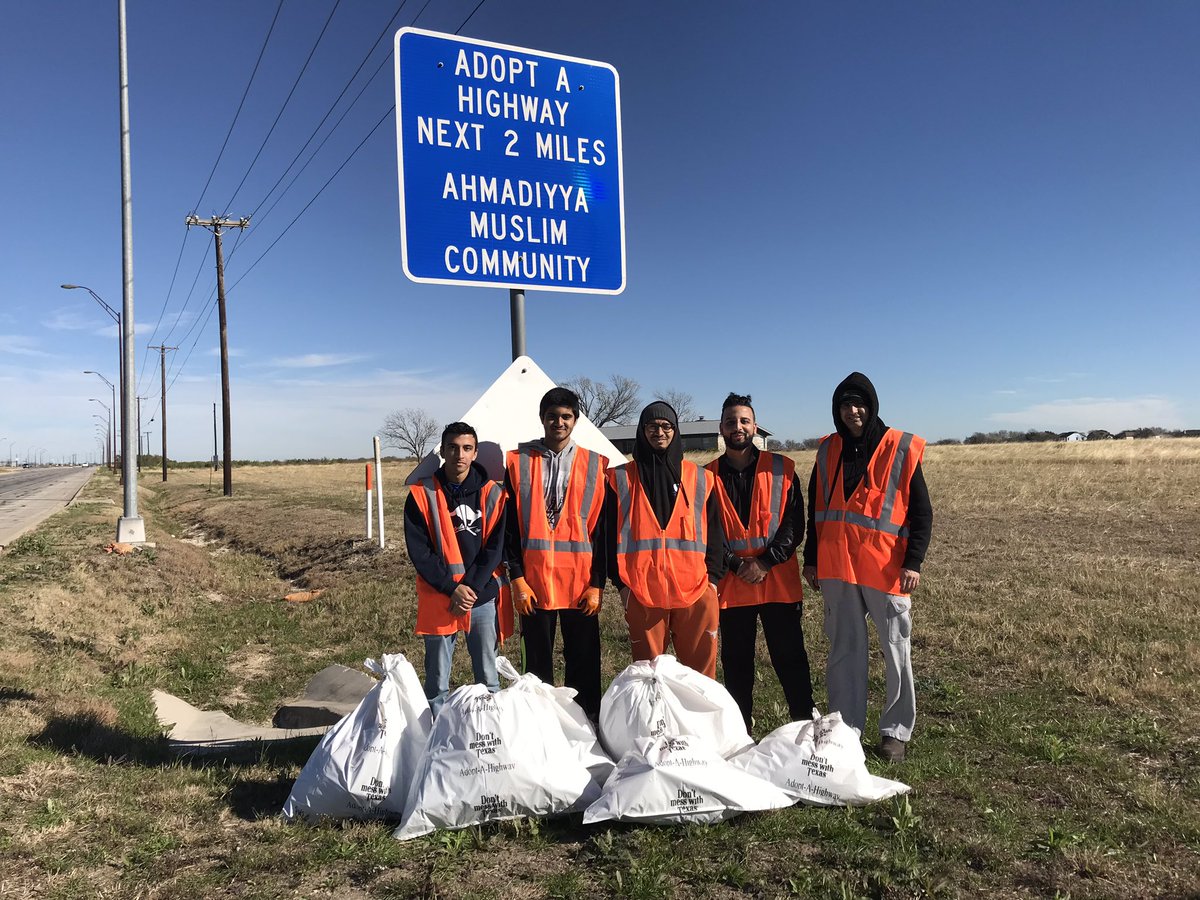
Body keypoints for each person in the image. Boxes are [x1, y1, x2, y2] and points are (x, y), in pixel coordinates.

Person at [803, 373, 933, 762]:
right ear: (836, 410)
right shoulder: (828, 450)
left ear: (871, 406)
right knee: (844, 649)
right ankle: (845, 729)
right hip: (837, 567)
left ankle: (895, 732)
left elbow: (922, 511)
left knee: (896, 651)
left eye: (858, 404)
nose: (852, 411)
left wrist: (914, 562)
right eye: (845, 405)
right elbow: (817, 509)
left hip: (887, 569)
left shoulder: (900, 447)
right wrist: (810, 559)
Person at [707, 393, 813, 730]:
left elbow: (795, 524)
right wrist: (738, 565)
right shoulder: (705, 477)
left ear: (754, 426)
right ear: (721, 428)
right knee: (737, 664)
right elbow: (706, 532)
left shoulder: (783, 469)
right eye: (730, 422)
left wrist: (765, 562)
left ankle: (804, 725)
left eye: (743, 421)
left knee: (791, 659)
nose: (737, 427)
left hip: (777, 582)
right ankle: (741, 732)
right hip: (732, 586)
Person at [504, 387, 607, 720]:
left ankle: (586, 725)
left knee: (585, 662)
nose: (559, 422)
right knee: (536, 666)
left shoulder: (596, 464)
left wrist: (597, 584)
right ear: (542, 419)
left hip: (580, 585)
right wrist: (517, 578)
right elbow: (510, 528)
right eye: (552, 416)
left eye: (566, 416)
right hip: (534, 584)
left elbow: (602, 532)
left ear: (576, 420)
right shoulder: (518, 462)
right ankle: (541, 727)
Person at [607, 400, 726, 678]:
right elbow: (607, 537)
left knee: (699, 677)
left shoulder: (701, 478)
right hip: (642, 593)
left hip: (696, 592)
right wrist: (622, 586)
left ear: (675, 431)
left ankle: (698, 723)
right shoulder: (620, 479)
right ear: (641, 430)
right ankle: (654, 724)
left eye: (666, 426)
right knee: (650, 678)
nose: (659, 432)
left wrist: (712, 582)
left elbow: (717, 535)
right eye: (652, 426)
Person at [403, 422, 506, 715]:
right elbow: (419, 552)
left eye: (466, 448)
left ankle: (489, 735)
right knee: (437, 681)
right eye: (453, 447)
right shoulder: (422, 495)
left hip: (480, 596)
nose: (459, 455)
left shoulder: (493, 494)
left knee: (487, 675)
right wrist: (452, 588)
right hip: (440, 596)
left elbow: (495, 549)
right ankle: (437, 739)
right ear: (443, 450)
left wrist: (470, 589)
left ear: (475, 453)